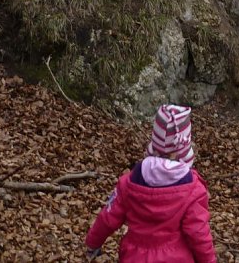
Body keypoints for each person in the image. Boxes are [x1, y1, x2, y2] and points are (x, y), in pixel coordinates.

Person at [85, 104, 216, 262]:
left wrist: (93, 243)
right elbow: (198, 232)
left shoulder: (129, 182)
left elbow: (108, 216)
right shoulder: (193, 189)